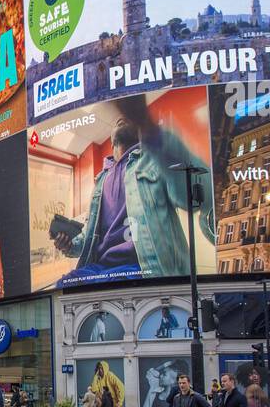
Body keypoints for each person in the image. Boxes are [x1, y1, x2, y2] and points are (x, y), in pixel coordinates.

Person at [51, 94, 216, 287]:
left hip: (146, 270)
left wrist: (150, 129)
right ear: (111, 141)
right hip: (99, 271)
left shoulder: (153, 158)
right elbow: (88, 236)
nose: (121, 120)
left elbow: (199, 196)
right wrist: (70, 246)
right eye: (117, 122)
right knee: (61, 289)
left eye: (128, 119)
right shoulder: (100, 180)